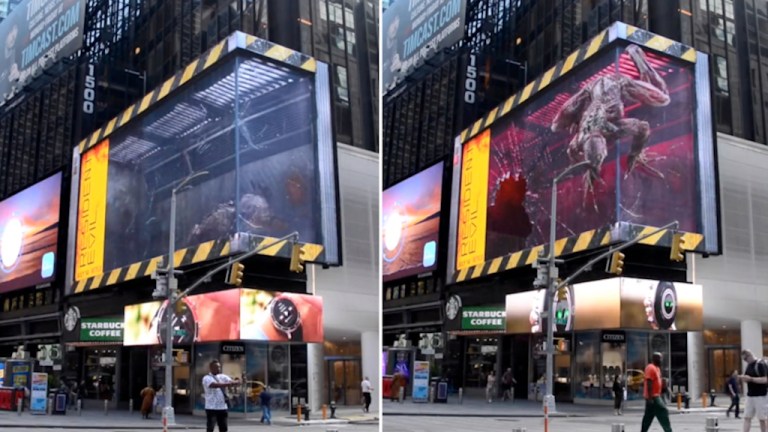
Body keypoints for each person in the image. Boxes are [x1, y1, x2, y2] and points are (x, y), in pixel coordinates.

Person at [202, 360, 240, 432]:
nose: (218, 369)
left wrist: (238, 382)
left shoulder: (223, 376)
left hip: (222, 407)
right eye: (216, 367)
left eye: (219, 367)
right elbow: (214, 385)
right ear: (211, 368)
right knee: (210, 427)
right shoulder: (206, 378)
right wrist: (228, 384)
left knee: (223, 427)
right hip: (211, 407)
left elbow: (232, 382)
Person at [640, 352, 673, 432]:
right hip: (654, 397)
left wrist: (663, 386)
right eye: (659, 358)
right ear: (654, 358)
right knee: (663, 411)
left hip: (655, 396)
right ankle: (668, 430)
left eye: (661, 358)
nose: (661, 360)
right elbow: (649, 382)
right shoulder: (650, 367)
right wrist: (650, 398)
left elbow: (656, 382)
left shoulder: (657, 369)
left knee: (648, 417)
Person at [738, 349, 767, 432]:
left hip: (761, 395)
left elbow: (765, 379)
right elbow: (748, 378)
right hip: (750, 395)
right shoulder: (749, 365)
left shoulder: (760, 364)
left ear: (750, 355)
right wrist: (744, 379)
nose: (745, 361)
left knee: (762, 419)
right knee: (747, 417)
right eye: (744, 360)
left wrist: (751, 379)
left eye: (745, 359)